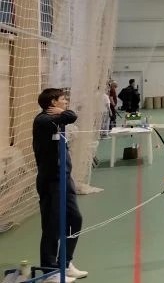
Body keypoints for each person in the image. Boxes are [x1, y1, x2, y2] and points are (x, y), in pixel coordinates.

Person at [33, 88, 88, 282]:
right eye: (63, 99)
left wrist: (62, 113)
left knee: (75, 219)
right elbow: (71, 116)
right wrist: (63, 113)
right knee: (52, 225)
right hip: (51, 181)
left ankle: (65, 263)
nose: (66, 102)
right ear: (53, 102)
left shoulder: (56, 119)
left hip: (65, 178)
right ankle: (49, 271)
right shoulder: (43, 121)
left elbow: (68, 116)